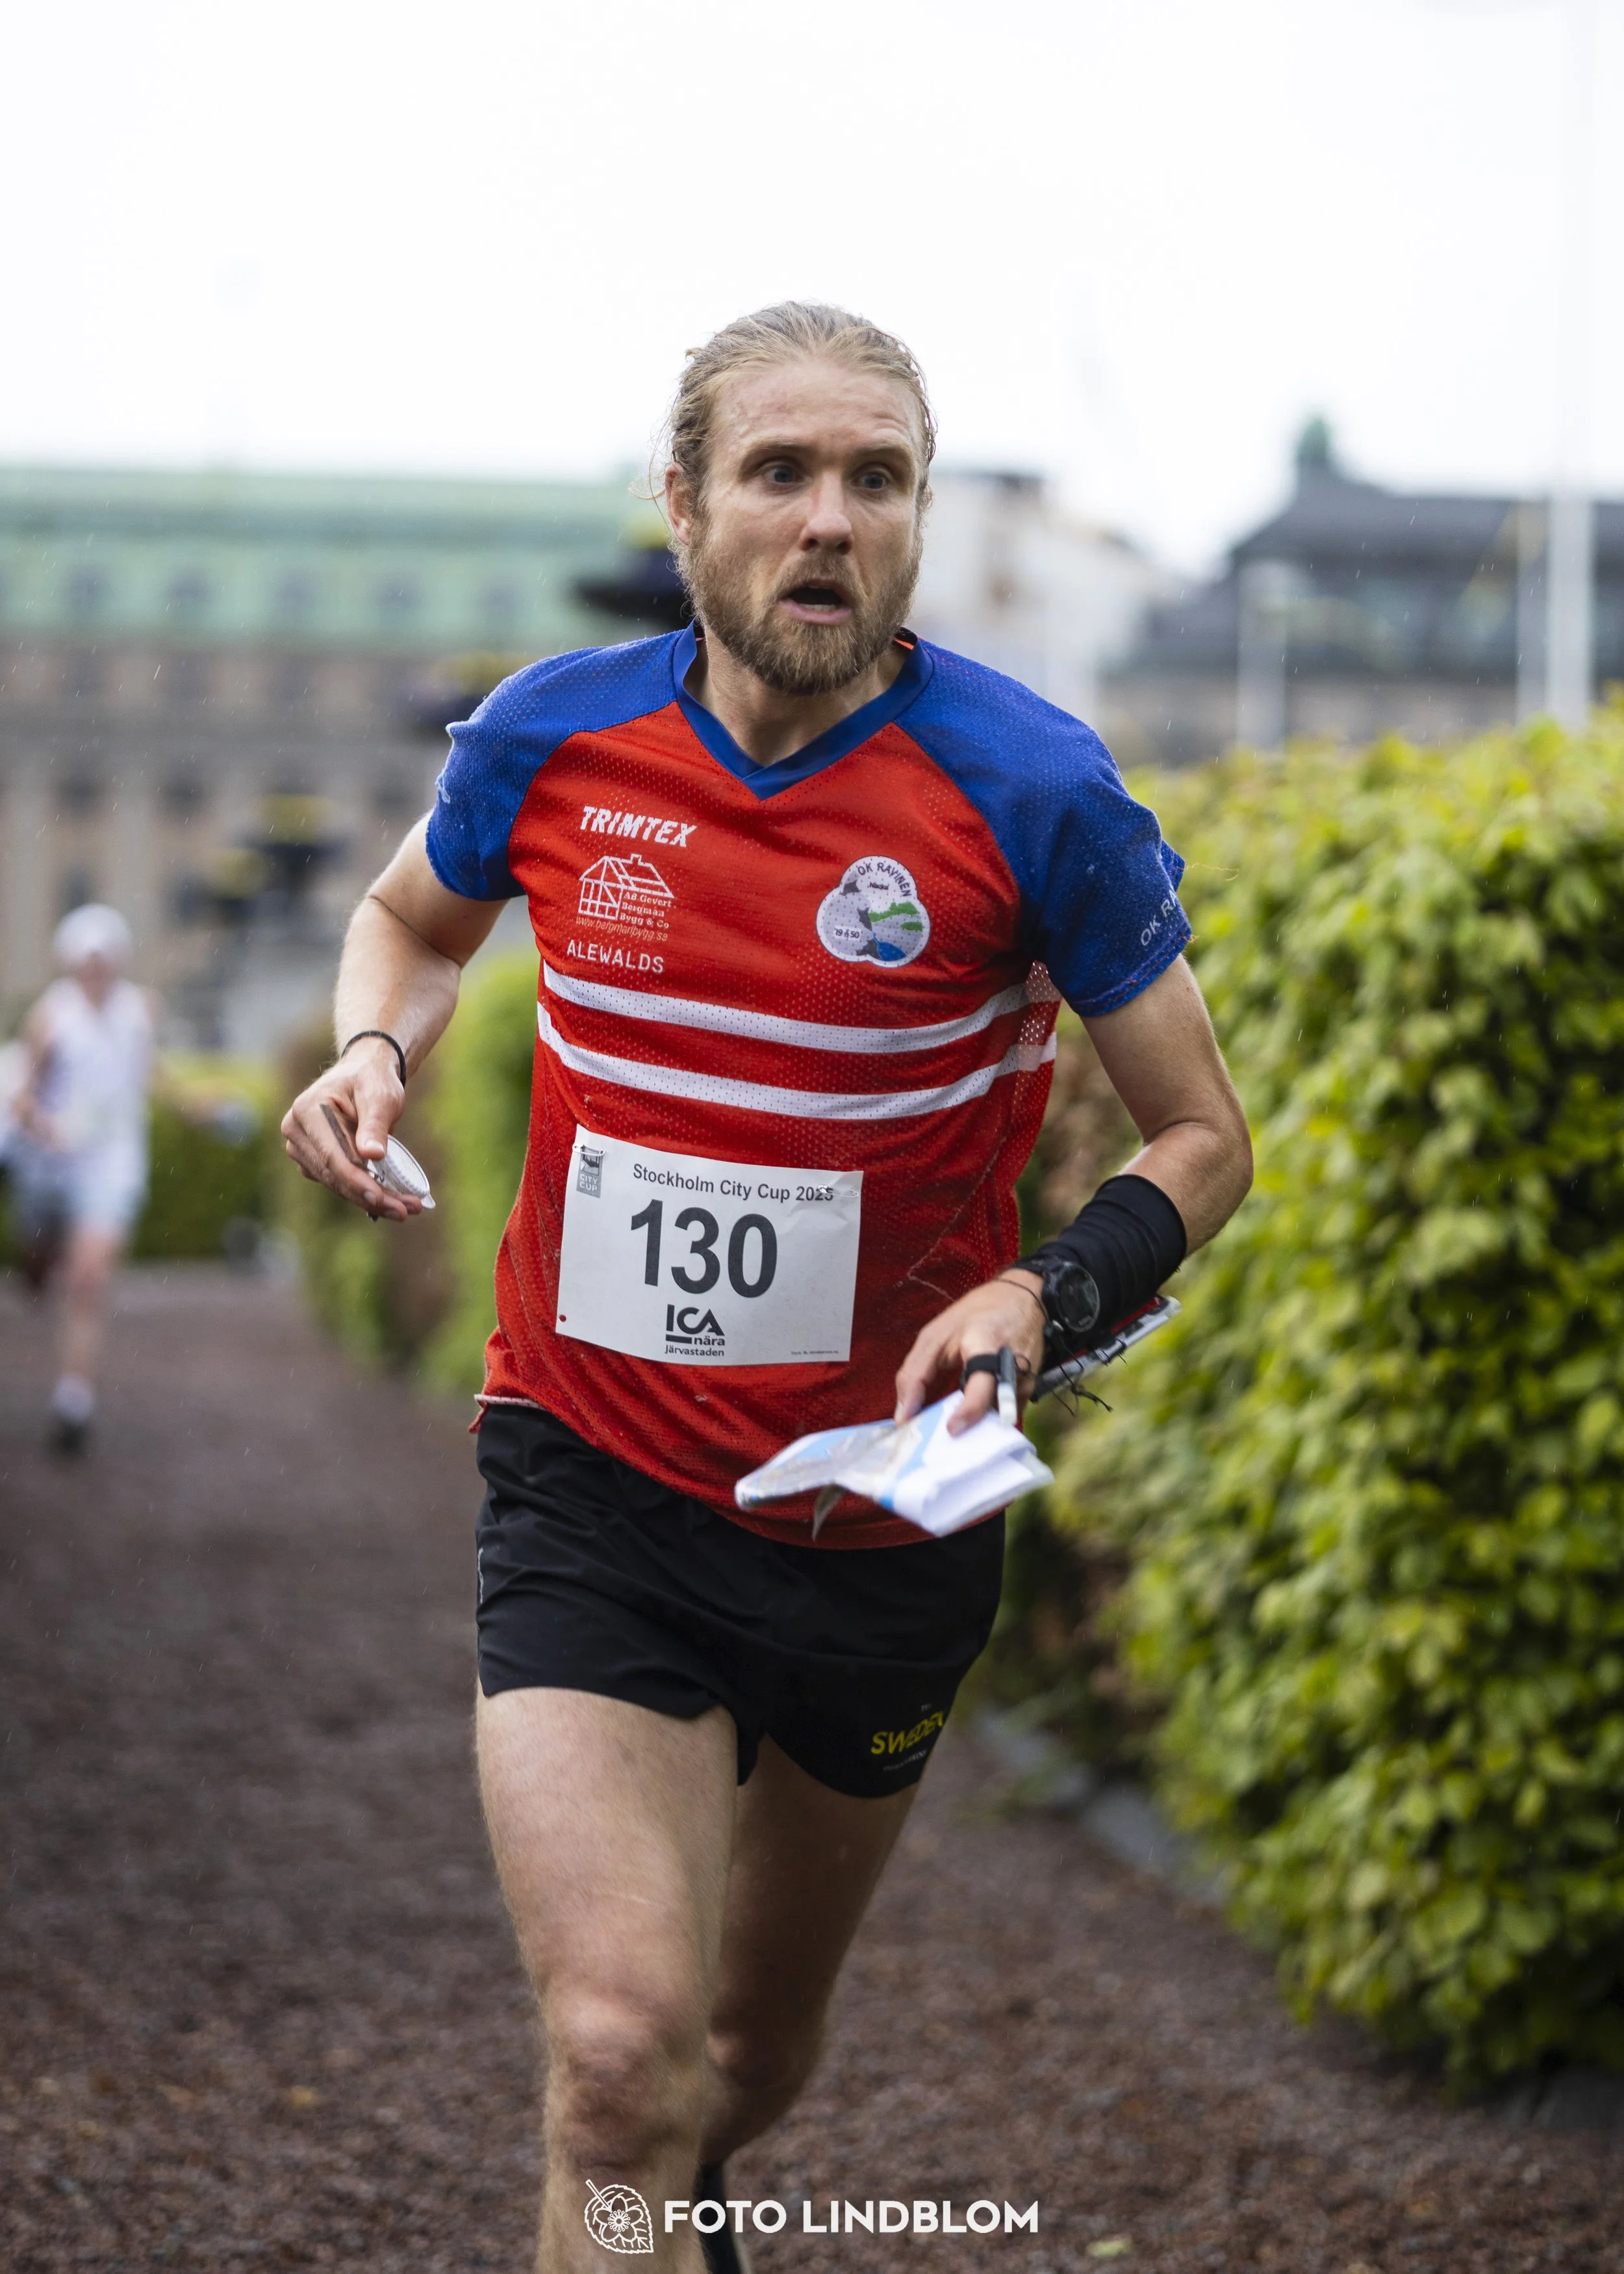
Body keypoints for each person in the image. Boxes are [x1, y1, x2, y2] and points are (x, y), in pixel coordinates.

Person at [281, 302, 1252, 2272]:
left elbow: (1199, 1136)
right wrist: (375, 1043)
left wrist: (1042, 1297)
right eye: (779, 473)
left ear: (913, 521)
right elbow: (405, 921)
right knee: (621, 2055)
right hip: (593, 1472)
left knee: (735, 2047)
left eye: (874, 478)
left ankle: (667, 2199)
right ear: (684, 505)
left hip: (878, 1505)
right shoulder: (557, 733)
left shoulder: (1029, 785)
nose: (828, 519)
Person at [10, 903, 155, 1453]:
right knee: (39, 1265)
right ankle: (36, 1269)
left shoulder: (140, 1010)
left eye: (105, 960)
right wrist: (46, 1126)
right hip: (53, 1164)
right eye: (87, 961)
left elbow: (148, 1074)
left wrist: (200, 1107)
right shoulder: (51, 1017)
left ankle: (74, 1399)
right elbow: (24, 1096)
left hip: (112, 1161)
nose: (96, 970)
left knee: (89, 1277)